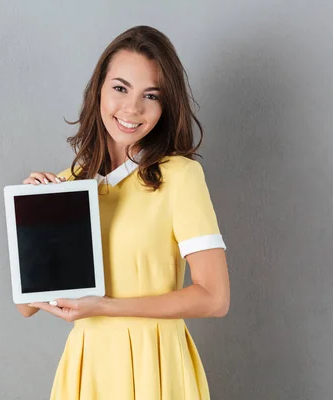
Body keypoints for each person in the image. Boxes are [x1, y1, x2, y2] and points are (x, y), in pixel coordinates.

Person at [16, 25, 230, 400]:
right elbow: (26, 307)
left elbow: (214, 297)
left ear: (167, 105)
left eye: (151, 95)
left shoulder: (180, 177)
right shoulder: (69, 185)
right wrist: (34, 217)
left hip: (156, 366)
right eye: (120, 88)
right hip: (89, 367)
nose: (132, 108)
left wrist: (106, 306)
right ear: (98, 89)